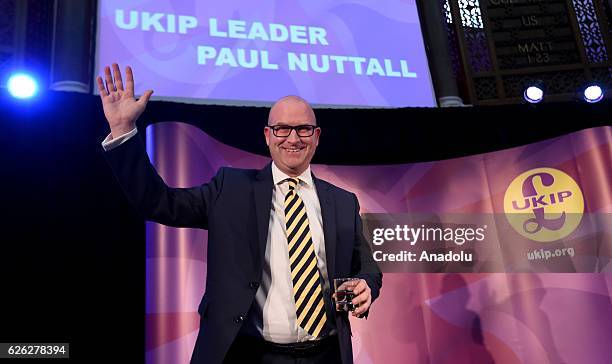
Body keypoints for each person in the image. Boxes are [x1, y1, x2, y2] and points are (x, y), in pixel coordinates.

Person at [98, 63, 382, 364]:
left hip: (327, 354)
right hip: (248, 354)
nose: (293, 138)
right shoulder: (229, 189)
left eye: (303, 129)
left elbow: (367, 267)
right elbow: (158, 203)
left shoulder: (343, 201)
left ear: (317, 135)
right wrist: (122, 131)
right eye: (282, 129)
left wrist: (367, 285)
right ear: (267, 135)